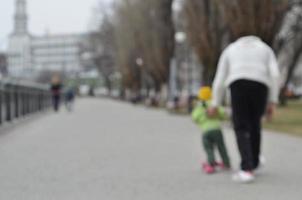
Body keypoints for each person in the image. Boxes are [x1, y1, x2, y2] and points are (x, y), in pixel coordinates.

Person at [209, 35, 280, 183]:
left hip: (238, 84)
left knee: (241, 126)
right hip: (260, 85)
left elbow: (220, 77)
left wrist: (215, 103)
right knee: (255, 124)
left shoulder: (231, 48)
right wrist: (273, 100)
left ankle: (247, 168)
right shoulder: (265, 49)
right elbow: (275, 74)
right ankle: (254, 161)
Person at [192, 87, 231, 174]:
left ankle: (211, 164)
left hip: (206, 131)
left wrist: (201, 119)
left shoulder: (199, 106)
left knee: (209, 148)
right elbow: (223, 114)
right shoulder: (214, 104)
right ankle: (226, 163)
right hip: (217, 130)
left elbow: (194, 117)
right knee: (221, 147)